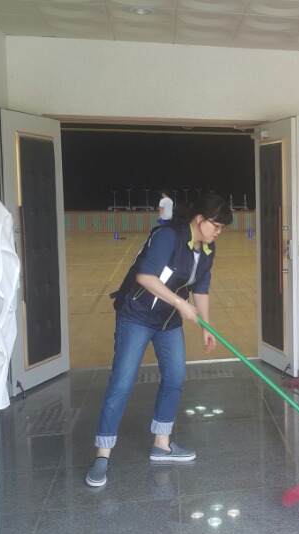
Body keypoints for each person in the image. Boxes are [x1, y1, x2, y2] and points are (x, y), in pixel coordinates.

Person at [85, 193, 233, 488]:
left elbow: (201, 288)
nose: (218, 232)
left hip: (168, 322)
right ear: (199, 219)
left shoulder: (207, 250)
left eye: (222, 228)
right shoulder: (169, 236)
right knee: (122, 382)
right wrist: (180, 303)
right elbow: (145, 276)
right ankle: (102, 454)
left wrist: (206, 326)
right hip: (136, 316)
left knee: (175, 377)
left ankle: (161, 445)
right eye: (216, 225)